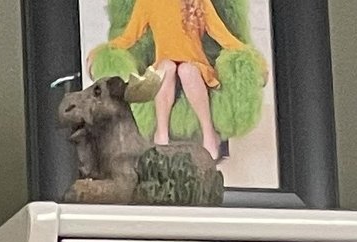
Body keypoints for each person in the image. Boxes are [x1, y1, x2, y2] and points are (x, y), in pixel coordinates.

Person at [100, 0, 260, 163]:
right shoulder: (147, 2)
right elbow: (129, 37)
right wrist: (102, 51)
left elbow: (222, 35)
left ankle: (208, 133)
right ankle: (161, 134)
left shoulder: (200, 2)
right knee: (166, 67)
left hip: (195, 66)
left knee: (186, 70)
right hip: (164, 66)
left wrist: (253, 57)